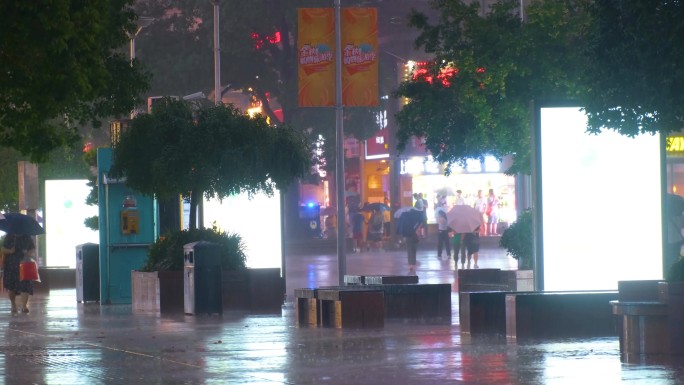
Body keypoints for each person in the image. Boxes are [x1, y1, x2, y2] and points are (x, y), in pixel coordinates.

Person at [2, 234, 36, 314]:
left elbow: (33, 249)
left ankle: (24, 306)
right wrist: (10, 251)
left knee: (25, 285)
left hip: (25, 264)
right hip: (11, 266)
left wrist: (28, 253)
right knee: (11, 286)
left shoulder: (27, 237)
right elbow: (3, 249)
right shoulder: (9, 236)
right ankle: (13, 304)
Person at [398, 200, 425, 274]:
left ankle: (410, 265)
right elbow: (421, 224)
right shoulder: (419, 214)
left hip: (408, 234)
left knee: (409, 249)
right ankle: (413, 263)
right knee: (414, 249)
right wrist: (422, 234)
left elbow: (403, 225)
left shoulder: (407, 215)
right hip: (416, 234)